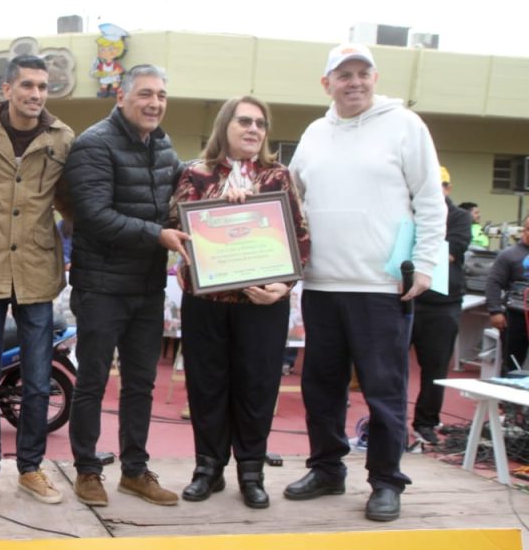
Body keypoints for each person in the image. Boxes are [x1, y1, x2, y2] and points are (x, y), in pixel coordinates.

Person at [286, 43, 446, 523]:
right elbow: (291, 205)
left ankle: (386, 481)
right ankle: (327, 468)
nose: (354, 82)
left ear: (375, 77)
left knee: (384, 390)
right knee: (321, 386)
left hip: (382, 287)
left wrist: (425, 264)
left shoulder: (405, 126)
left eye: (362, 73)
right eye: (343, 74)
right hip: (322, 285)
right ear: (326, 83)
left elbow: (430, 200)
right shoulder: (314, 134)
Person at [170, 96, 310, 508]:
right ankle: (207, 469)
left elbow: (301, 238)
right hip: (207, 301)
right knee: (207, 386)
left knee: (257, 386)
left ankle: (251, 471)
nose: (253, 129)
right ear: (224, 125)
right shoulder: (195, 174)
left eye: (261, 124)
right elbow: (177, 227)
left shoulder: (279, 176)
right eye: (244, 121)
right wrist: (217, 206)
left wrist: (283, 287)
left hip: (263, 303)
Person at [64, 64, 188, 507]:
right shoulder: (93, 144)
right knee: (92, 381)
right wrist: (157, 234)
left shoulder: (164, 144)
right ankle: (87, 470)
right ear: (122, 96)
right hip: (100, 287)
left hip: (147, 287)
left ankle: (135, 470)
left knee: (141, 383)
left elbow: (176, 203)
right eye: (145, 94)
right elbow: (94, 216)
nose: (155, 103)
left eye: (161, 95)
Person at [0, 55, 75, 507]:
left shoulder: (62, 138)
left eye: (43, 86)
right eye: (27, 85)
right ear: (7, 89)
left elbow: (72, 205)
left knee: (39, 379)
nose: (36, 94)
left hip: (37, 269)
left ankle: (31, 469)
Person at [410, 167, 471, 445]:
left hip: (441, 304)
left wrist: (413, 249)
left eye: (440, 185)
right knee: (389, 365)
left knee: (435, 368)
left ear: (447, 188)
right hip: (406, 299)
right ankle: (389, 423)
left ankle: (426, 422)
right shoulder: (409, 214)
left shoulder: (459, 217)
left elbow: (449, 253)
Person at [485, 215, 529, 373]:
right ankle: (507, 397)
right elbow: (493, 283)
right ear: (524, 230)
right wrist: (495, 311)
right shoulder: (508, 254)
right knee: (512, 363)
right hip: (515, 316)